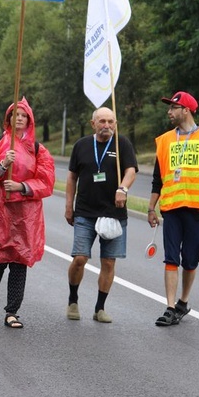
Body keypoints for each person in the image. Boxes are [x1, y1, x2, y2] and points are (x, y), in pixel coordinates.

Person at [0, 97, 55, 328]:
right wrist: (0, 167)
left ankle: (12, 312)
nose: (18, 118)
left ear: (29, 120)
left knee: (19, 262)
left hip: (25, 215)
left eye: (23, 115)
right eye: (14, 114)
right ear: (8, 118)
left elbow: (47, 182)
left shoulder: (39, 150)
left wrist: (21, 187)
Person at [147, 91, 199, 326]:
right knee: (171, 258)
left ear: (186, 110)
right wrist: (151, 208)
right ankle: (170, 307)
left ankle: (183, 302)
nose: (169, 112)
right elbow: (157, 180)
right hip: (171, 208)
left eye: (173, 108)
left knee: (190, 260)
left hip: (197, 209)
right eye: (169, 108)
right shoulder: (165, 141)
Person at [65, 107, 137, 323]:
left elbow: (131, 171)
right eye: (102, 121)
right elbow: (71, 178)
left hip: (113, 213)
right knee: (80, 258)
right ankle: (73, 300)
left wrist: (122, 189)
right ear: (93, 123)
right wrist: (69, 205)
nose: (107, 125)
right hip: (86, 212)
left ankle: (100, 308)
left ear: (116, 123)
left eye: (111, 121)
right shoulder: (82, 145)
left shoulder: (122, 144)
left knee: (108, 262)